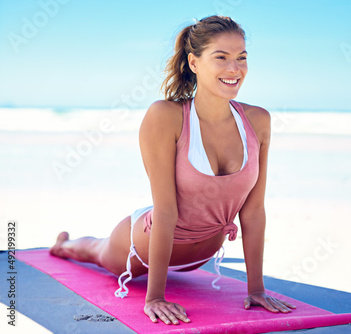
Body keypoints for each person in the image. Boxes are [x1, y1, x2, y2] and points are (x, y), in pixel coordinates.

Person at [50, 15, 295, 325]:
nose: (235, 68)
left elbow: (254, 210)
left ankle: (69, 243)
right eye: (221, 57)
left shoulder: (258, 121)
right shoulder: (166, 116)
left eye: (241, 58)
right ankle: (64, 245)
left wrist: (256, 290)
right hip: (143, 244)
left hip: (203, 252)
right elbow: (165, 211)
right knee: (95, 252)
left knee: (98, 249)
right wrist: (154, 297)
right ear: (194, 62)